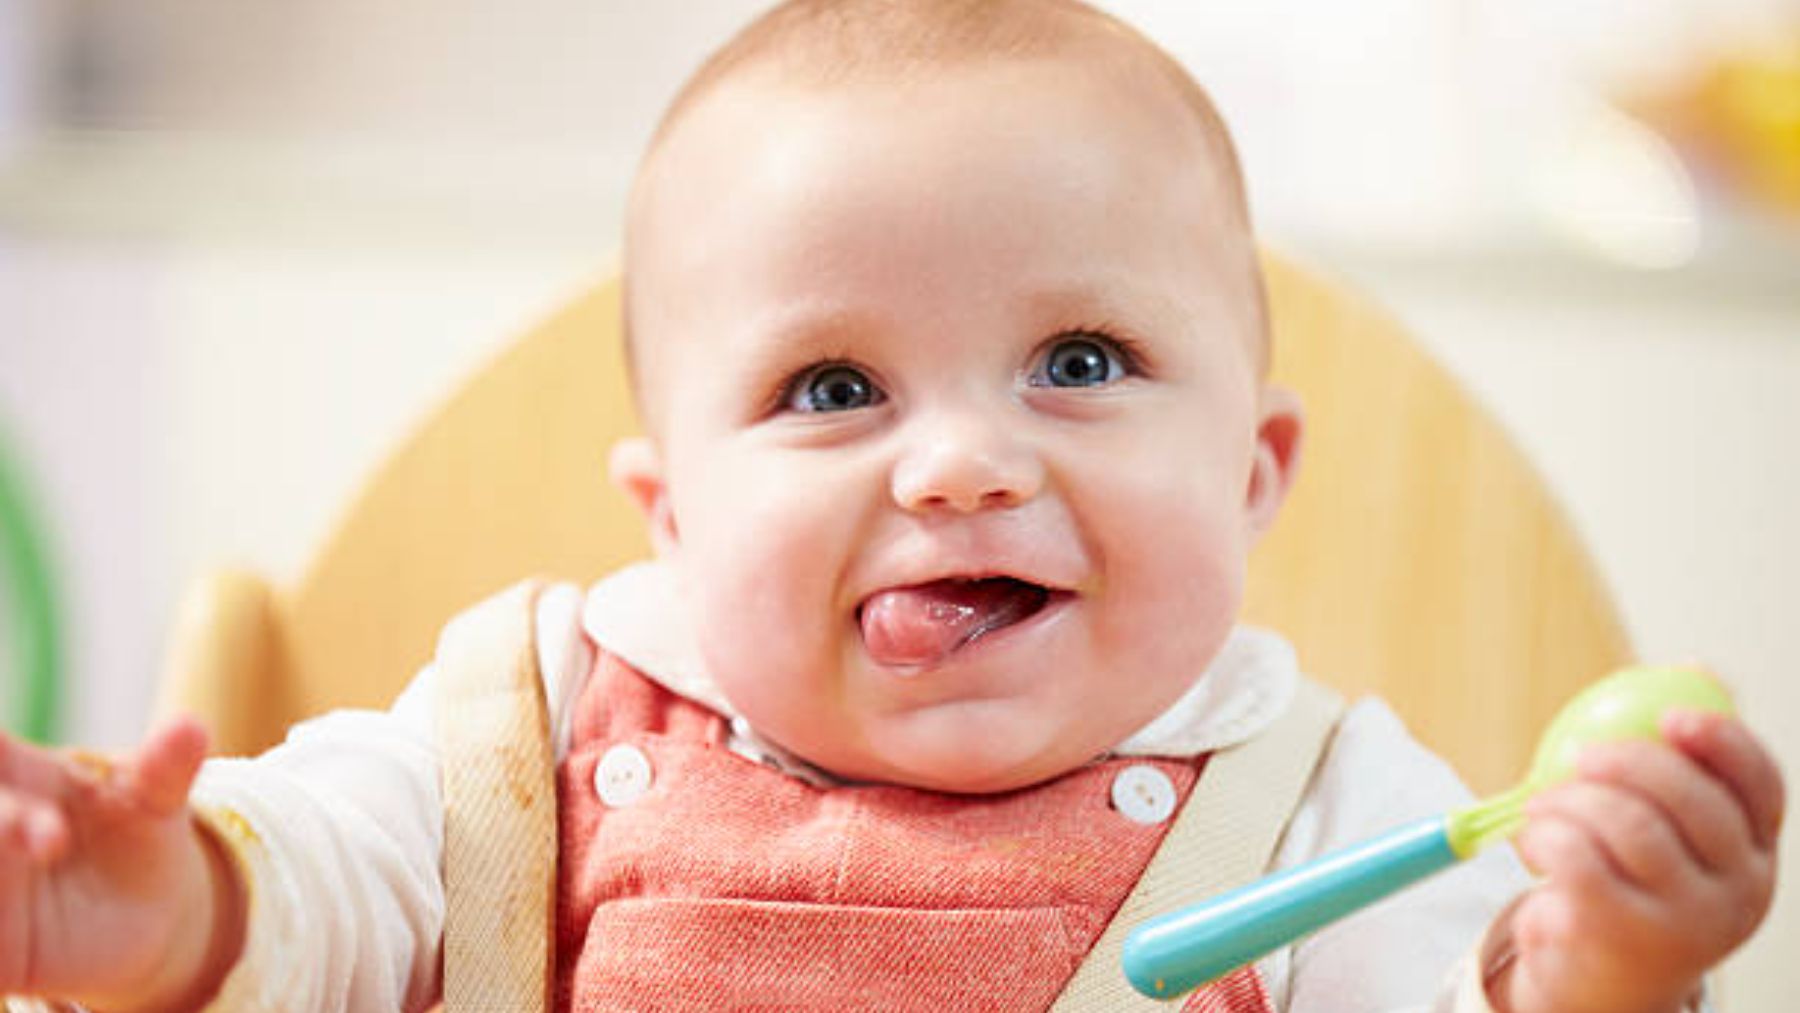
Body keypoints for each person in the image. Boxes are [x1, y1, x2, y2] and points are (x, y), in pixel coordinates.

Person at [0, 1, 1784, 1010]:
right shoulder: (518, 739)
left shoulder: (1329, 819)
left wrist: (1612, 962)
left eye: (1079, 360)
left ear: (1254, 477)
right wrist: (165, 909)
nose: (960, 465)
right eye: (833, 390)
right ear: (674, 521)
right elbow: (314, 894)